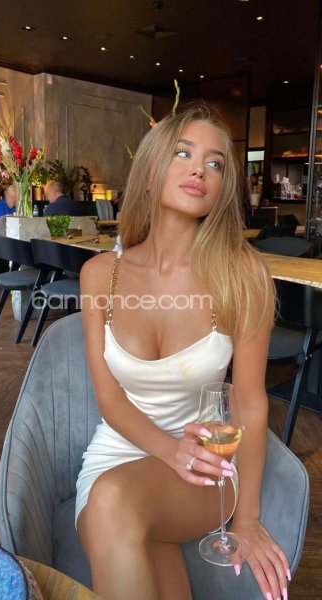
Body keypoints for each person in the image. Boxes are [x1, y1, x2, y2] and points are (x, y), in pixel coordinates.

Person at [75, 102, 290, 600]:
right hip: (115, 456)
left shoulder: (243, 275)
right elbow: (109, 400)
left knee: (113, 503)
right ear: (151, 171)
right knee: (125, 519)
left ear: (222, 187)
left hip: (204, 470)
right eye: (183, 153)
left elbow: (250, 402)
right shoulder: (99, 276)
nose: (200, 169)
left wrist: (248, 519)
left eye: (215, 163)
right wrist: (168, 451)